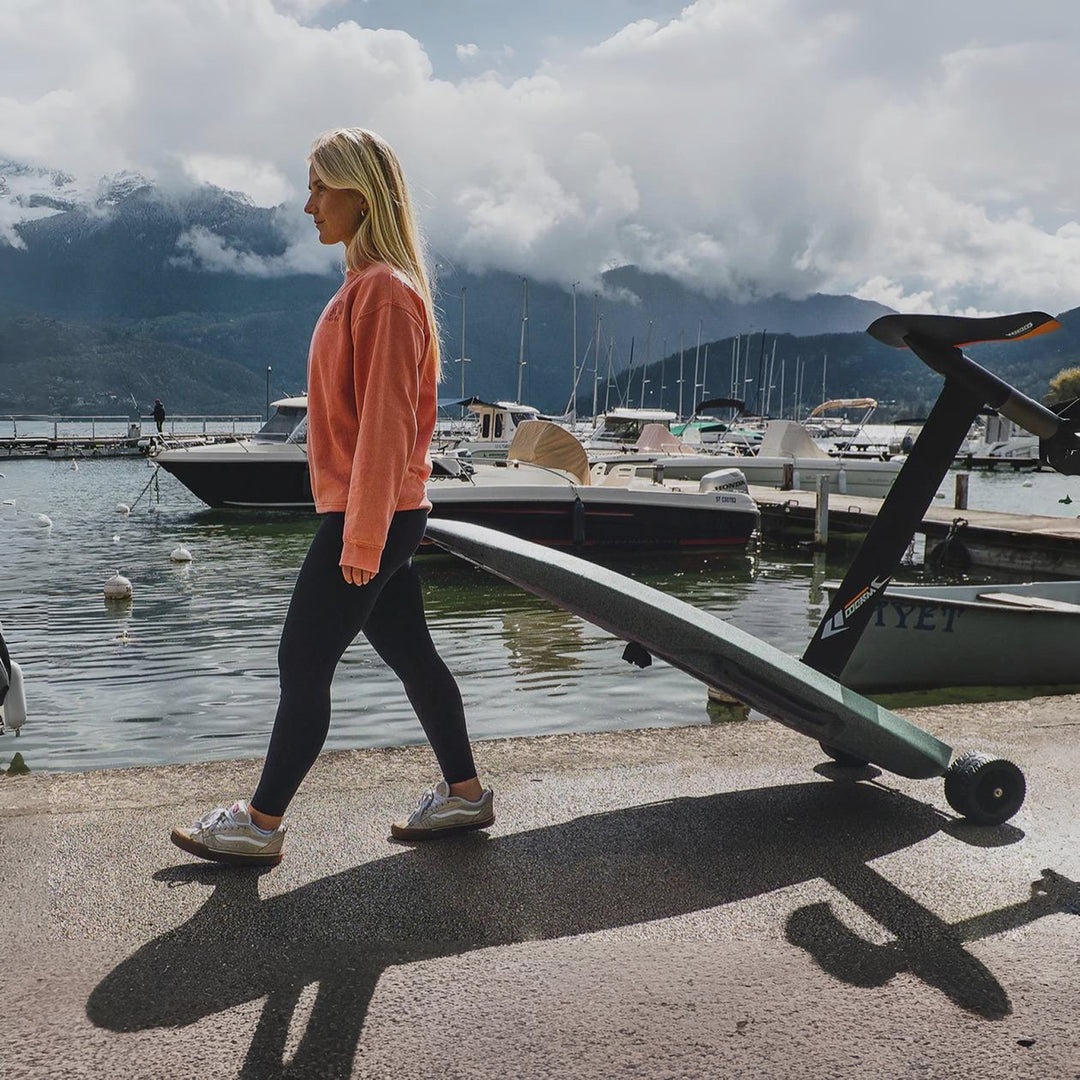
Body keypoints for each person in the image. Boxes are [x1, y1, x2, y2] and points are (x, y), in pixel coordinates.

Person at [171, 128, 492, 866]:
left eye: (319, 186)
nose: (308, 202)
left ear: (362, 194)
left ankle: (259, 824)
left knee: (303, 663)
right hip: (382, 513)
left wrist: (362, 535)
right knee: (414, 656)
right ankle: (466, 794)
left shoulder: (383, 293)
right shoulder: (366, 287)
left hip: (372, 514)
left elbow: (386, 424)